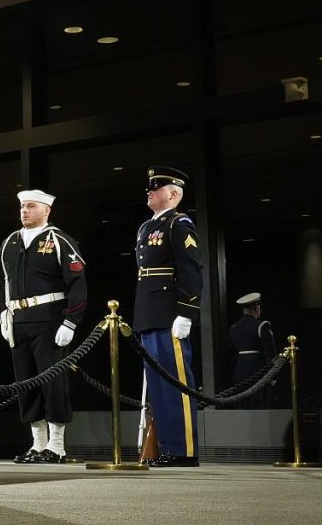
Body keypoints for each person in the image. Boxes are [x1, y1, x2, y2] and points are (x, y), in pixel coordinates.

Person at [0, 189, 87, 464]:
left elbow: (78, 283)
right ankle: (38, 444)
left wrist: (71, 320)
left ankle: (57, 446)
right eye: (22, 206)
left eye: (31, 206)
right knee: (27, 383)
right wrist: (1, 314)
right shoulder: (9, 241)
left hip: (50, 320)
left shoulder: (59, 240)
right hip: (18, 321)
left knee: (53, 383)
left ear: (46, 211)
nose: (24, 210)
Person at [133, 166, 203, 468]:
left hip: (169, 313)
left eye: (156, 187)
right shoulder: (147, 227)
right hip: (149, 313)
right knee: (159, 387)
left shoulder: (179, 224)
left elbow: (190, 270)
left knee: (176, 384)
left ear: (173, 193)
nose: (149, 191)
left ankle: (183, 450)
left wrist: (186, 312)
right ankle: (168, 447)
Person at [229, 292, 276, 409]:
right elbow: (271, 353)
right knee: (260, 408)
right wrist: (273, 377)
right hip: (259, 373)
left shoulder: (234, 328)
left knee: (243, 408)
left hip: (239, 375)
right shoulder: (262, 325)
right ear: (256, 307)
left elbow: (231, 353)